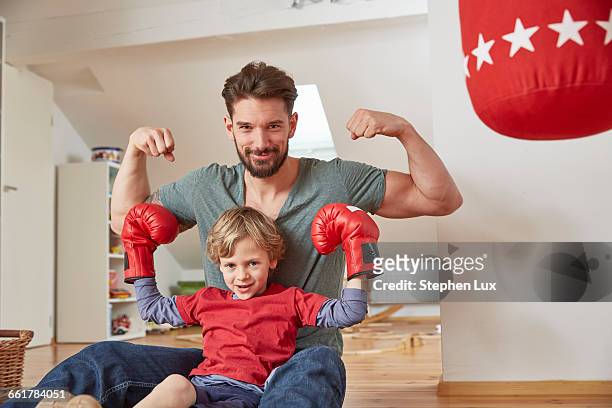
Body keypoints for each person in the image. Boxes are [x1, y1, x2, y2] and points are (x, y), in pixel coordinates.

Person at [8, 61, 462, 408]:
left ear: (293, 126)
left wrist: (404, 131)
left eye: (273, 126)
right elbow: (126, 221)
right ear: (230, 127)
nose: (260, 141)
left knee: (316, 368)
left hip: (300, 358)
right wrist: (133, 151)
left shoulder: (336, 180)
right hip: (219, 362)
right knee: (103, 359)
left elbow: (440, 199)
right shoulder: (207, 186)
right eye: (246, 127)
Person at [128, 204, 370, 407]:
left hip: (246, 395)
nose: (241, 276)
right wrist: (138, 252)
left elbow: (350, 312)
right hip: (200, 387)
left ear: (272, 260)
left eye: (252, 263)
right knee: (175, 383)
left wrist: (360, 251)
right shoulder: (207, 299)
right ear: (219, 265)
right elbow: (151, 308)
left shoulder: (290, 299)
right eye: (231, 265)